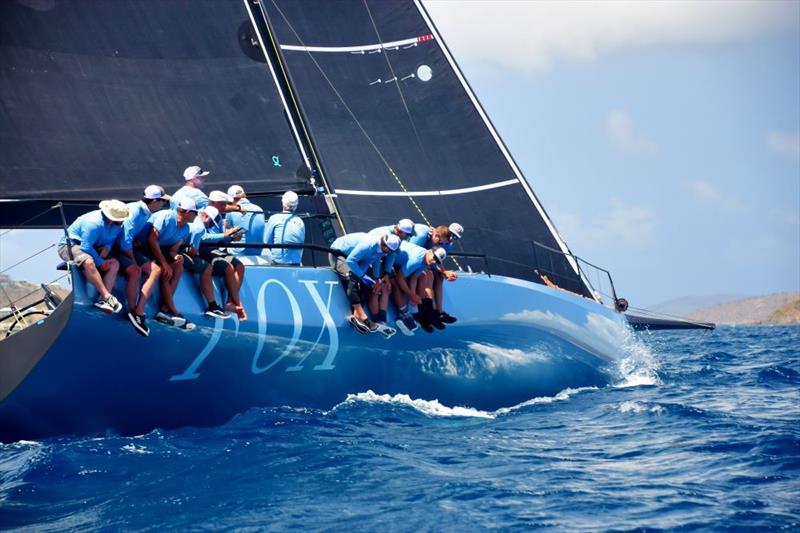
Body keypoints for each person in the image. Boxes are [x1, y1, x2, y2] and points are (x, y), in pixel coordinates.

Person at [113, 185, 170, 336]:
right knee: (136, 270)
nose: (164, 204)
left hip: (127, 246)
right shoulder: (134, 212)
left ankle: (139, 311)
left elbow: (132, 236)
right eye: (162, 201)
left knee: (156, 270)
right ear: (155, 201)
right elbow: (124, 243)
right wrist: (134, 260)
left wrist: (137, 240)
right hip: (115, 248)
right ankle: (132, 310)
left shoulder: (146, 212)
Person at [57, 200, 129, 314]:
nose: (122, 221)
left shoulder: (118, 224)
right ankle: (107, 296)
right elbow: (85, 247)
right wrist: (100, 262)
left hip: (93, 247)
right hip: (71, 246)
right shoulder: (93, 223)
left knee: (114, 264)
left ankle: (102, 302)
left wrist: (107, 247)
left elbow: (112, 239)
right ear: (111, 217)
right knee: (89, 262)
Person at [330, 232, 400, 334]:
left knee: (366, 284)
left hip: (357, 258)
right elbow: (350, 261)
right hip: (340, 254)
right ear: (385, 246)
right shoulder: (368, 245)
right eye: (390, 250)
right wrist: (362, 276)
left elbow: (371, 261)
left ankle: (356, 315)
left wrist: (372, 278)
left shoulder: (383, 249)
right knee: (351, 278)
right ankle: (363, 317)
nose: (390, 253)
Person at [147, 197, 197, 329]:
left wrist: (176, 256)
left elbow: (173, 250)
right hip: (146, 247)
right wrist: (164, 263)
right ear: (186, 212)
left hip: (160, 249)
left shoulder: (186, 228)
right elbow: (152, 240)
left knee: (178, 266)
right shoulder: (166, 217)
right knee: (166, 271)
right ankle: (173, 311)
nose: (196, 215)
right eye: (195, 212)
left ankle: (164, 309)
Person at [201, 191, 247, 320]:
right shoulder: (205, 214)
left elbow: (220, 238)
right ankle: (238, 304)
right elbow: (202, 237)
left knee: (240, 266)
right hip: (204, 251)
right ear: (213, 203)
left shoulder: (218, 216)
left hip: (215, 250)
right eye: (222, 205)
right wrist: (225, 236)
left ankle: (230, 301)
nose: (224, 208)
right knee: (228, 267)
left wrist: (232, 237)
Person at [183, 206, 232, 319]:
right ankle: (212, 306)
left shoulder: (195, 221)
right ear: (205, 216)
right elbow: (194, 250)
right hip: (176, 251)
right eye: (211, 222)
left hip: (173, 249)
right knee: (207, 268)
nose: (210, 225)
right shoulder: (199, 226)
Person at [391, 241, 447, 335]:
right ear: (429, 251)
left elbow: (414, 277)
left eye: (437, 261)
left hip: (398, 261)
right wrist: (411, 294)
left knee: (409, 285)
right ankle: (402, 315)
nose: (434, 261)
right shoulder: (416, 259)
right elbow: (399, 278)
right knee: (398, 285)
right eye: (434, 258)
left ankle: (416, 314)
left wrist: (413, 294)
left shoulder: (426, 260)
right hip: (386, 256)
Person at [264, 191, 306, 265]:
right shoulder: (300, 222)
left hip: (278, 261)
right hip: (296, 262)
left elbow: (267, 241)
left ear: (282, 203)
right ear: (296, 206)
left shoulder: (274, 218)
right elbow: (301, 243)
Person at [225, 185, 265, 256]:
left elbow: (228, 231)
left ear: (231, 199)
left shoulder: (231, 211)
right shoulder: (259, 209)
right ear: (245, 195)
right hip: (258, 251)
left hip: (237, 252)